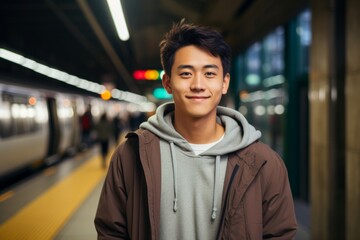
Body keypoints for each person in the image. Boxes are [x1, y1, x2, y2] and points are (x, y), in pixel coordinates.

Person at [95, 19, 297, 239]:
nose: (198, 85)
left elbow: (279, 234)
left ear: (225, 82)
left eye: (210, 74)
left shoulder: (263, 163)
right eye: (186, 74)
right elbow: (111, 232)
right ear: (168, 83)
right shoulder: (131, 156)